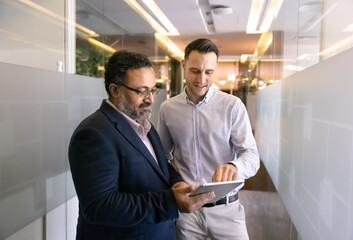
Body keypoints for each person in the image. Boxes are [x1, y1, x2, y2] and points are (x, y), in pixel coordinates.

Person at [68, 50, 214, 240]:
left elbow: (159, 166)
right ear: (115, 90)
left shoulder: (143, 124)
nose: (150, 99)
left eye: (153, 90)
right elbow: (100, 206)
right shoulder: (93, 134)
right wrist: (170, 202)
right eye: (142, 91)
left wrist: (177, 183)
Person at [157, 38, 260, 240]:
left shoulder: (233, 106)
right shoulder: (168, 109)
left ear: (215, 69)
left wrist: (235, 166)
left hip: (227, 210)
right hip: (187, 212)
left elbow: (252, 156)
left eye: (208, 72)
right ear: (184, 65)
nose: (201, 78)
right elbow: (162, 158)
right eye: (195, 70)